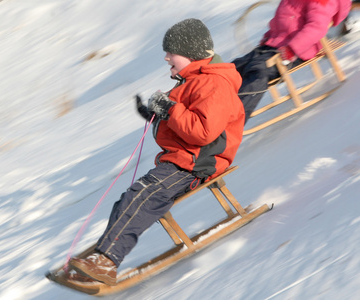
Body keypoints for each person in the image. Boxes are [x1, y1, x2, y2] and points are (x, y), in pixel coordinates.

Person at [68, 18, 245, 286]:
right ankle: (104, 255)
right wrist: (155, 113)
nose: (166, 58)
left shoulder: (213, 84)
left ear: (190, 53)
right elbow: (185, 120)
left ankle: (106, 261)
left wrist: (170, 109)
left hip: (196, 163)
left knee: (142, 196)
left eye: (171, 52)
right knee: (132, 197)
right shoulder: (192, 81)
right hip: (182, 159)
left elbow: (202, 131)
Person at [233, 0, 352, 124]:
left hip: (295, 51)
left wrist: (292, 49)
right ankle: (214, 108)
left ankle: (231, 122)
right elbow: (282, 20)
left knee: (258, 72)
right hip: (272, 46)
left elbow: (316, 28)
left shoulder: (321, 2)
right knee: (234, 68)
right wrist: (269, 35)